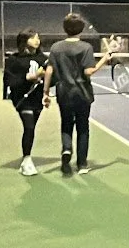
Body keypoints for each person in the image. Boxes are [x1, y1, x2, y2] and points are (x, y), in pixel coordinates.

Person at [43, 13, 112, 176]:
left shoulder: (56, 47)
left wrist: (45, 92)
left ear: (65, 28)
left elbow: (49, 70)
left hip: (63, 93)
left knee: (66, 124)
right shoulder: (86, 47)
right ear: (81, 29)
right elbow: (89, 71)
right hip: (82, 94)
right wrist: (104, 59)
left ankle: (66, 150)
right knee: (83, 128)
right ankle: (82, 164)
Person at [3, 29, 49, 176]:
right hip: (22, 99)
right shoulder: (13, 60)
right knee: (28, 127)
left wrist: (46, 86)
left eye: (38, 37)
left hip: (37, 99)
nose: (37, 40)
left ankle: (26, 156)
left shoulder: (42, 59)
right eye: (33, 37)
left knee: (31, 128)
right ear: (24, 41)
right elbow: (10, 81)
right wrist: (29, 77)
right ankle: (27, 160)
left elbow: (51, 79)